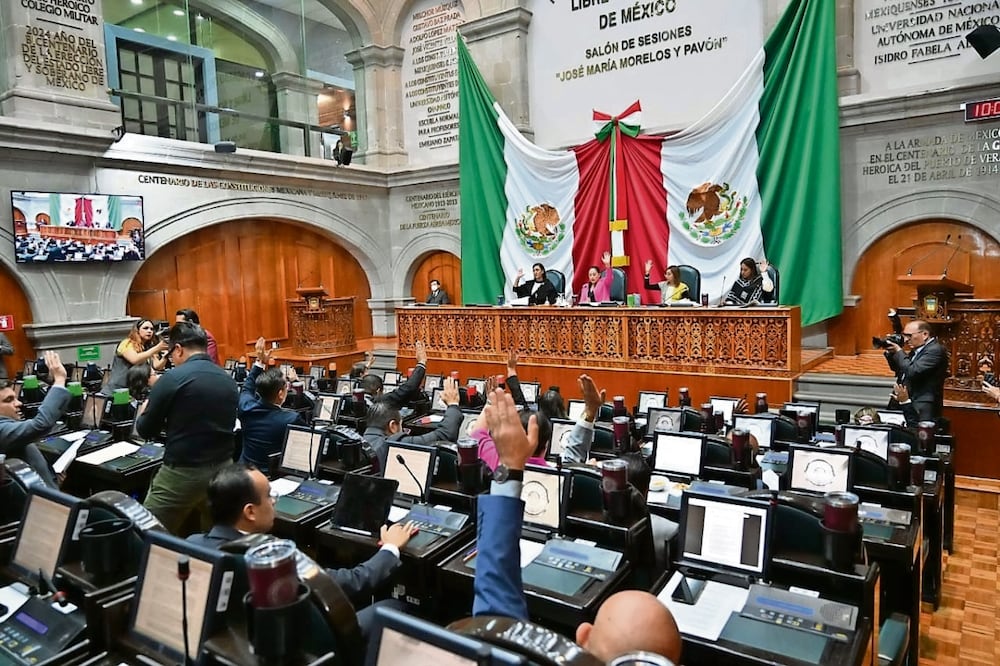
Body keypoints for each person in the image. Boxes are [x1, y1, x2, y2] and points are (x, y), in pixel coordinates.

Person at [473, 388, 682, 663]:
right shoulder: (565, 477)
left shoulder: (489, 455)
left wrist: (510, 466)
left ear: (582, 638)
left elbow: (496, 619)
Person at [188, 463, 416, 639]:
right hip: (306, 642)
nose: (274, 502)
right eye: (269, 496)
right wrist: (390, 549)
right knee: (395, 607)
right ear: (250, 512)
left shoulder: (193, 544)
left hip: (240, 641)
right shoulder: (271, 563)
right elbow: (350, 584)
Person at [137, 322, 239, 534]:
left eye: (171, 354)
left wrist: (143, 412)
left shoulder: (172, 378)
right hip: (223, 471)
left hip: (182, 472)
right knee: (216, 537)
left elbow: (145, 430)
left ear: (179, 349)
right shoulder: (227, 379)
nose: (171, 359)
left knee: (146, 533)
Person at [363, 377, 463, 473]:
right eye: (401, 426)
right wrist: (453, 404)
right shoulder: (392, 445)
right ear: (393, 426)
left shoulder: (360, 442)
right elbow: (445, 435)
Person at [0, 350, 68, 487]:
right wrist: (60, 379)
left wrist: (52, 477)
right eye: (9, 400)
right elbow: (40, 424)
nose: (19, 403)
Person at [239, 337, 305, 473]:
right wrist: (298, 383)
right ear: (280, 393)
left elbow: (247, 387)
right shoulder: (291, 419)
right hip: (274, 477)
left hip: (244, 474)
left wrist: (260, 362)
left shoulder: (246, 407)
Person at [883, 319, 948, 422]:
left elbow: (913, 371)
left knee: (917, 435)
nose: (905, 340)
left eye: (909, 336)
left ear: (925, 334)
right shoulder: (917, 349)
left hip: (921, 402)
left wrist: (899, 351)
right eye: (904, 335)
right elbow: (899, 369)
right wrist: (891, 353)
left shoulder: (935, 350)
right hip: (903, 398)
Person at [107, 319, 168, 390]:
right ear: (137, 331)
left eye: (151, 329)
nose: (149, 331)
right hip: (119, 387)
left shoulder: (148, 346)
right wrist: (156, 348)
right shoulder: (127, 343)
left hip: (136, 387)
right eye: (145, 328)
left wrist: (166, 355)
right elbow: (135, 360)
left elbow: (157, 366)